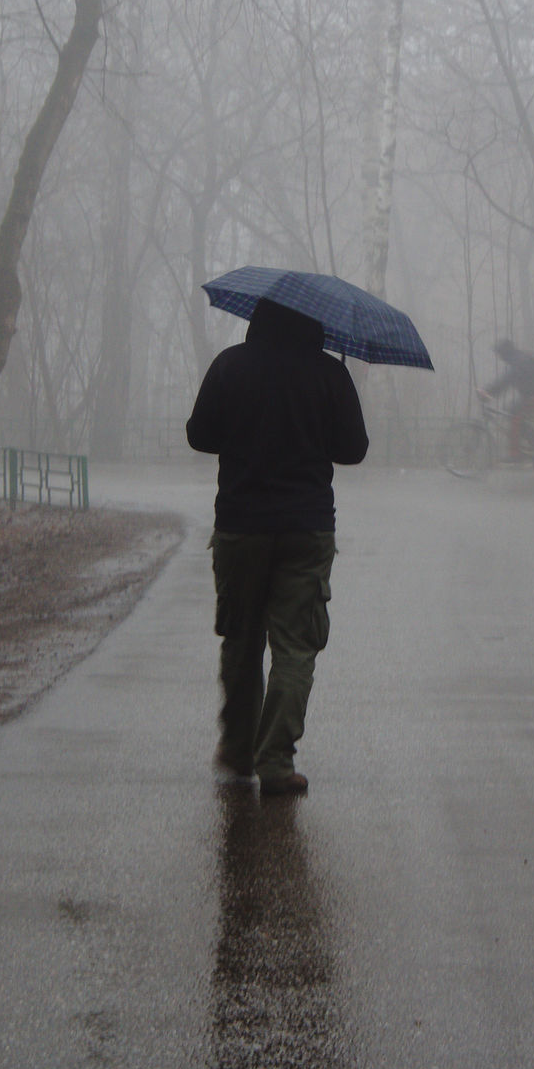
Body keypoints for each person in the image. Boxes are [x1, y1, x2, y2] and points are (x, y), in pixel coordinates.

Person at [187, 298, 369, 796]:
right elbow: (354, 450)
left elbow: (198, 436)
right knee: (295, 645)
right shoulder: (329, 374)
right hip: (306, 528)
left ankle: (238, 748)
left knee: (241, 639)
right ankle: (276, 762)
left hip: (241, 525)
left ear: (257, 317)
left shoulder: (230, 365)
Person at [476, 338, 534, 460]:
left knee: (515, 416)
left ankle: (517, 453)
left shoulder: (518, 361)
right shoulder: (519, 358)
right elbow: (507, 380)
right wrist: (490, 392)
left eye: (499, 353)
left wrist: (488, 392)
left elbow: (506, 380)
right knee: (511, 411)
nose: (498, 356)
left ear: (504, 352)